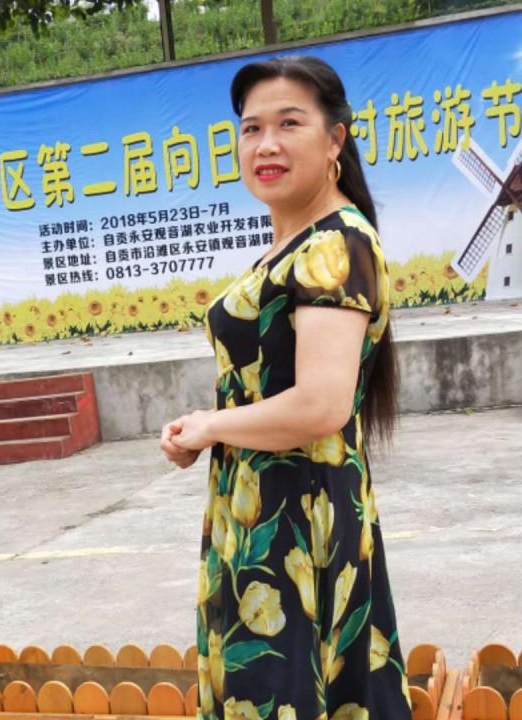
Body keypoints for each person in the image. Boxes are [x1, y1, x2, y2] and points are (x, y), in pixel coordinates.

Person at [160, 56, 412, 720]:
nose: (265, 144)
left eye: (289, 124)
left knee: (280, 691)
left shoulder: (335, 244)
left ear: (334, 141)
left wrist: (211, 426)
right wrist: (207, 432)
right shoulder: (296, 245)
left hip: (298, 517)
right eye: (251, 129)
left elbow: (322, 404)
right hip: (263, 507)